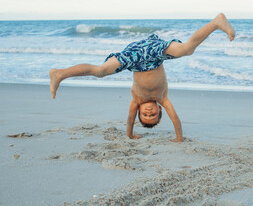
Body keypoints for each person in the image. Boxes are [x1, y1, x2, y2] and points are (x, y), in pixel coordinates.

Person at [49, 13, 235, 142]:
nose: (148, 112)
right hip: (155, 54)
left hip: (134, 59)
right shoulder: (163, 99)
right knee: (186, 50)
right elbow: (176, 120)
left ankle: (60, 73)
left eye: (144, 115)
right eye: (153, 115)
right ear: (159, 110)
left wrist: (129, 135)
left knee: (100, 71)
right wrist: (179, 139)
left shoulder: (136, 101)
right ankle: (216, 22)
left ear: (139, 111)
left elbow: (129, 121)